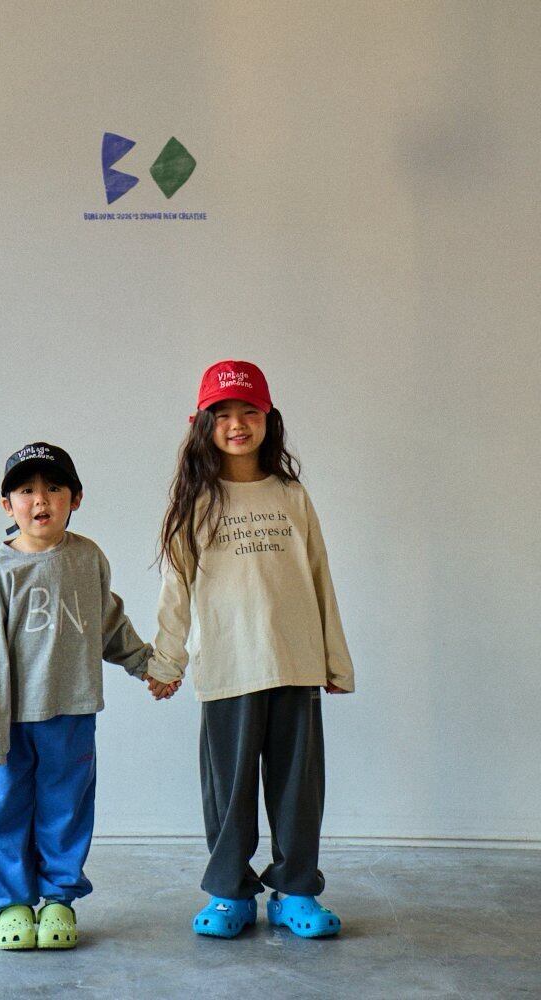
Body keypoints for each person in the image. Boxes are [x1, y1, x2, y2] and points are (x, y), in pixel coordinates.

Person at [145, 359, 355, 939]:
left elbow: (320, 577)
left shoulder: (291, 495)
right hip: (227, 666)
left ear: (269, 418)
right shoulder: (196, 501)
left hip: (295, 662)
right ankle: (229, 892)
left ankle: (295, 890)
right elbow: (176, 589)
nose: (237, 424)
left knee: (297, 789)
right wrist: (166, 662)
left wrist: (335, 660)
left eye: (249, 411)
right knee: (229, 791)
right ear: (201, 424)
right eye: (222, 414)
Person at [0, 442, 163, 950]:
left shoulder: (87, 557)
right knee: (2, 809)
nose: (41, 500)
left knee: (66, 809)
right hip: (10, 717)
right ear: (7, 504)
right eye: (26, 490)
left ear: (75, 498)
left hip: (72, 710)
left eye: (54, 488)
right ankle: (13, 903)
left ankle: (59, 899)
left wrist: (146, 664)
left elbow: (107, 621)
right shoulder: (0, 569)